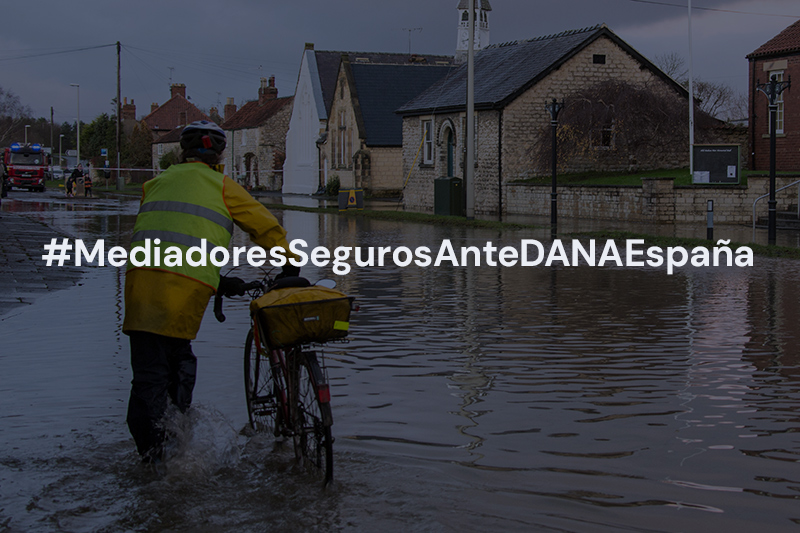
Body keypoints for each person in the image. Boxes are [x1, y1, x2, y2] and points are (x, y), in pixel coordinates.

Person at [123, 120, 299, 464]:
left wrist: (218, 282)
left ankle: (151, 455)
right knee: (175, 369)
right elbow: (263, 225)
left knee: (148, 374)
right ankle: (169, 453)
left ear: (182, 153)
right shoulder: (222, 186)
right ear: (219, 154)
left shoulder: (154, 184)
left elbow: (167, 239)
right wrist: (289, 264)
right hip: (183, 293)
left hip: (140, 287)